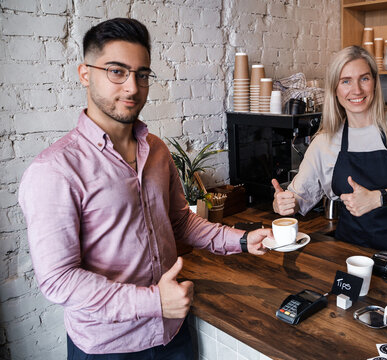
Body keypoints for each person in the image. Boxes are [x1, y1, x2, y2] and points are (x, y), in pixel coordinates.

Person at [18, 18, 271, 360]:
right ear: (84, 73)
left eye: (142, 74)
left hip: (172, 334)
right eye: (116, 71)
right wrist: (153, 302)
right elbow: (59, 280)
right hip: (110, 347)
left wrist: (239, 239)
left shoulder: (156, 150)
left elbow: (180, 221)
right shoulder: (54, 170)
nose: (132, 88)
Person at [272, 45, 387, 261]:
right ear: (335, 90)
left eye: (364, 78)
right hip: (351, 255)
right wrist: (282, 202)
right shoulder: (325, 141)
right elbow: (299, 197)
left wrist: (378, 198)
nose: (356, 90)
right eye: (346, 81)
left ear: (374, 82)